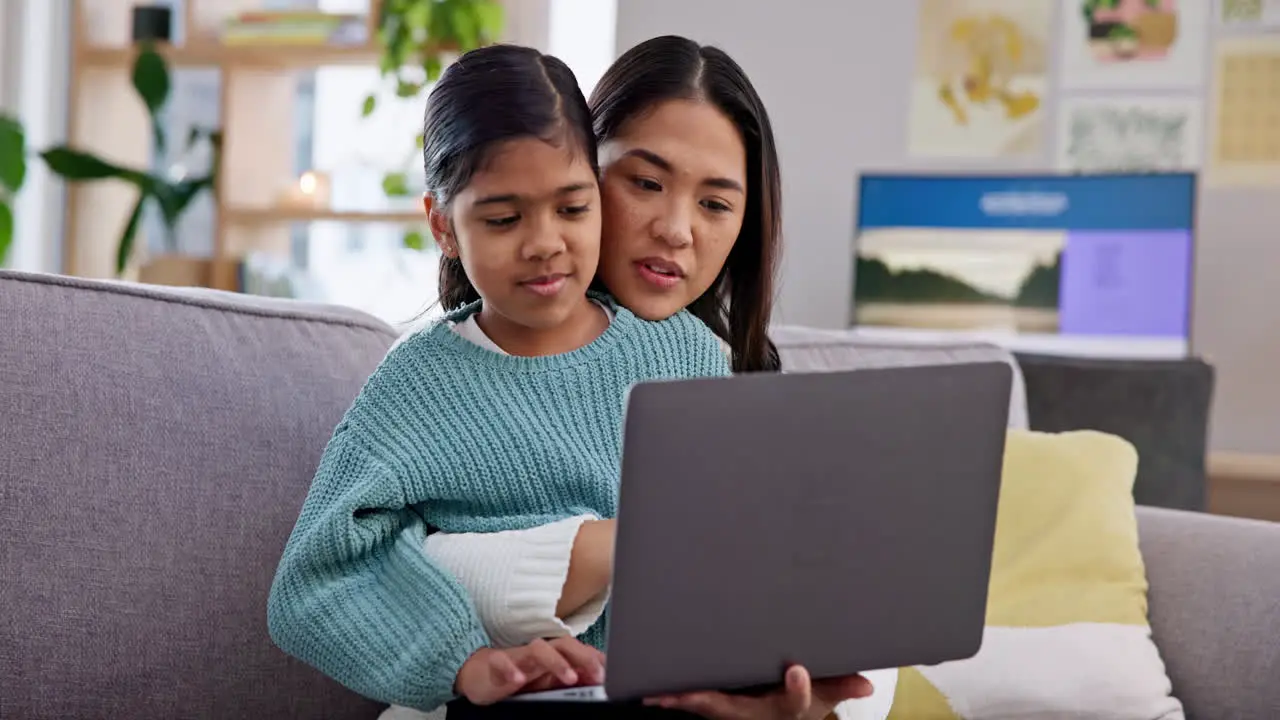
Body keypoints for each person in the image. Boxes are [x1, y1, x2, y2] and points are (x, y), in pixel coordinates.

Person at [413, 36, 898, 720]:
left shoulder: (736, 385)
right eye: (645, 183)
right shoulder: (448, 376)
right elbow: (390, 572)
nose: (675, 229)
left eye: (716, 204)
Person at [266, 42, 738, 717]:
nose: (544, 242)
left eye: (573, 210)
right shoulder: (416, 384)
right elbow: (315, 580)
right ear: (443, 226)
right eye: (503, 219)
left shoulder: (686, 355)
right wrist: (464, 661)